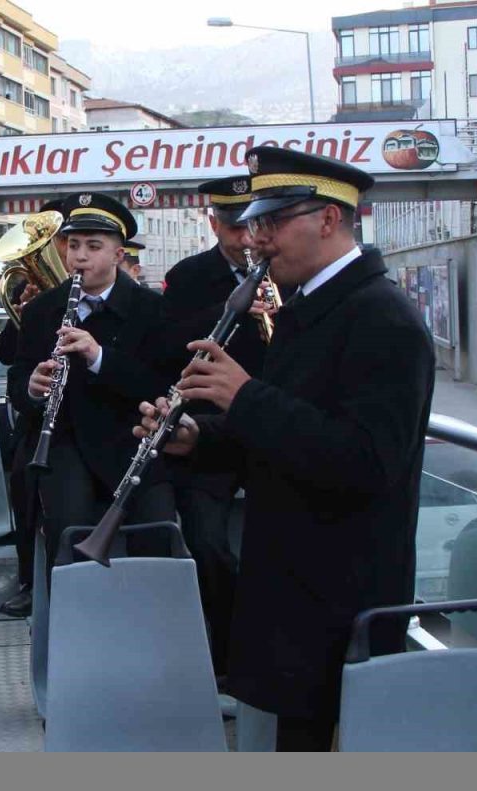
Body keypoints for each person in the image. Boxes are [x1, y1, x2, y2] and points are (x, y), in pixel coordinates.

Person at [136, 146, 435, 751]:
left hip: (342, 593)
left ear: (328, 219)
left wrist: (243, 397)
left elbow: (364, 461)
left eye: (273, 222)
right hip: (298, 586)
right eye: (254, 224)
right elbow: (283, 436)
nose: (257, 240)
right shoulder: (312, 307)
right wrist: (198, 439)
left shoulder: (382, 319)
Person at [9, 192, 178, 571]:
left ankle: (152, 621)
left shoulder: (152, 309)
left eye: (93, 246)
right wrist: (33, 389)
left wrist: (99, 357)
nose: (78, 256)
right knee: (66, 537)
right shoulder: (42, 310)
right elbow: (19, 377)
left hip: (133, 442)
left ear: (119, 256)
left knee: (156, 536)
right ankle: (70, 622)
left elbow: (160, 384)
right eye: (73, 245)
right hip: (66, 443)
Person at [159, 174, 269, 678]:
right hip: (206, 427)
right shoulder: (188, 276)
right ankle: (223, 657)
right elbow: (170, 342)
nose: (244, 239)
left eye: (250, 226)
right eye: (232, 227)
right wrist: (240, 312)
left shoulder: (281, 271)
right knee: (209, 545)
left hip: (268, 422)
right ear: (214, 223)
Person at [0, 199, 70, 618]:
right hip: (37, 417)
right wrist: (21, 315)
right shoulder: (32, 295)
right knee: (24, 490)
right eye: (59, 243)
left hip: (81, 416)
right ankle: (29, 580)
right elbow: (9, 354)